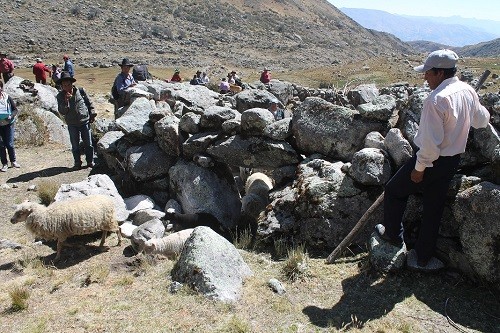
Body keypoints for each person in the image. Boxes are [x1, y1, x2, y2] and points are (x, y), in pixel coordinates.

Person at [375, 49, 490, 271]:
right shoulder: (467, 90)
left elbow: (429, 144)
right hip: (453, 160)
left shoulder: (436, 100)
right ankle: (424, 256)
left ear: (439, 73)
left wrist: (419, 169)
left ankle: (392, 236)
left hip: (432, 161)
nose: (425, 77)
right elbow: (481, 120)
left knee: (394, 190)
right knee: (434, 206)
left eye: (428, 73)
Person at [56, 71, 97, 169]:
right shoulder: (60, 96)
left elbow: (89, 102)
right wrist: (66, 102)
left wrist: (93, 113)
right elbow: (62, 112)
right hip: (72, 123)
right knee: (75, 145)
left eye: (68, 85)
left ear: (72, 84)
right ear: (61, 86)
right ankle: (77, 163)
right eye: (64, 85)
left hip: (84, 121)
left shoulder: (81, 91)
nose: (67, 87)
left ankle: (90, 161)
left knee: (89, 144)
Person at [0, 81, 20, 172]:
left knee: (10, 144)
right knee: (1, 145)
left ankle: (13, 161)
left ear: (1, 88)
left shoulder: (7, 97)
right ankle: (4, 164)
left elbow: (15, 110)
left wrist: (10, 116)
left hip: (9, 124)